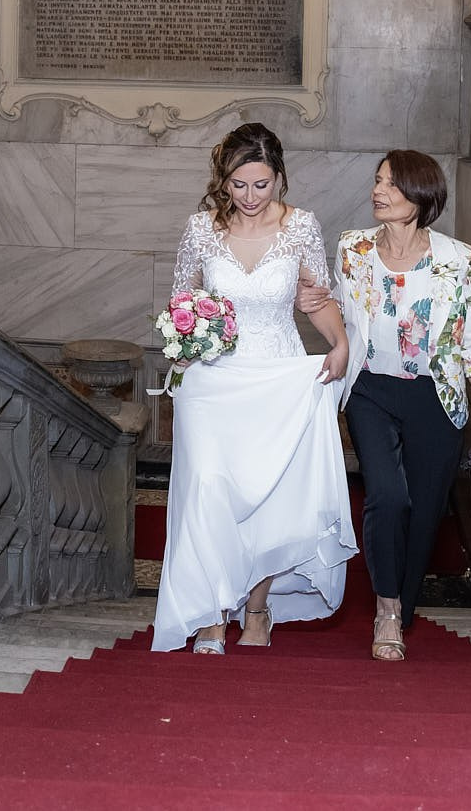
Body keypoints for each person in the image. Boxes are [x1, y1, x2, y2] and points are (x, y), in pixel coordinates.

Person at [298, 149, 471, 661]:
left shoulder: (458, 259)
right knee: (387, 496)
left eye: (392, 185)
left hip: (433, 395)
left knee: (424, 511)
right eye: (378, 181)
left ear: (420, 196)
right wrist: (316, 309)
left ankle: (405, 599)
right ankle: (387, 609)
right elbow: (343, 320)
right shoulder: (352, 248)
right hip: (370, 389)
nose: (379, 191)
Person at [151, 123, 356, 654]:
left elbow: (317, 299)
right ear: (224, 180)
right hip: (211, 381)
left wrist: (339, 344)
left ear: (280, 178)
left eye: (260, 185)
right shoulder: (201, 230)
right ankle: (214, 613)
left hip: (276, 374)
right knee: (209, 489)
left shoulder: (302, 228)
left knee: (268, 495)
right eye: (238, 185)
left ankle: (257, 608)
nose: (248, 196)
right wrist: (186, 338)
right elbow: (181, 303)